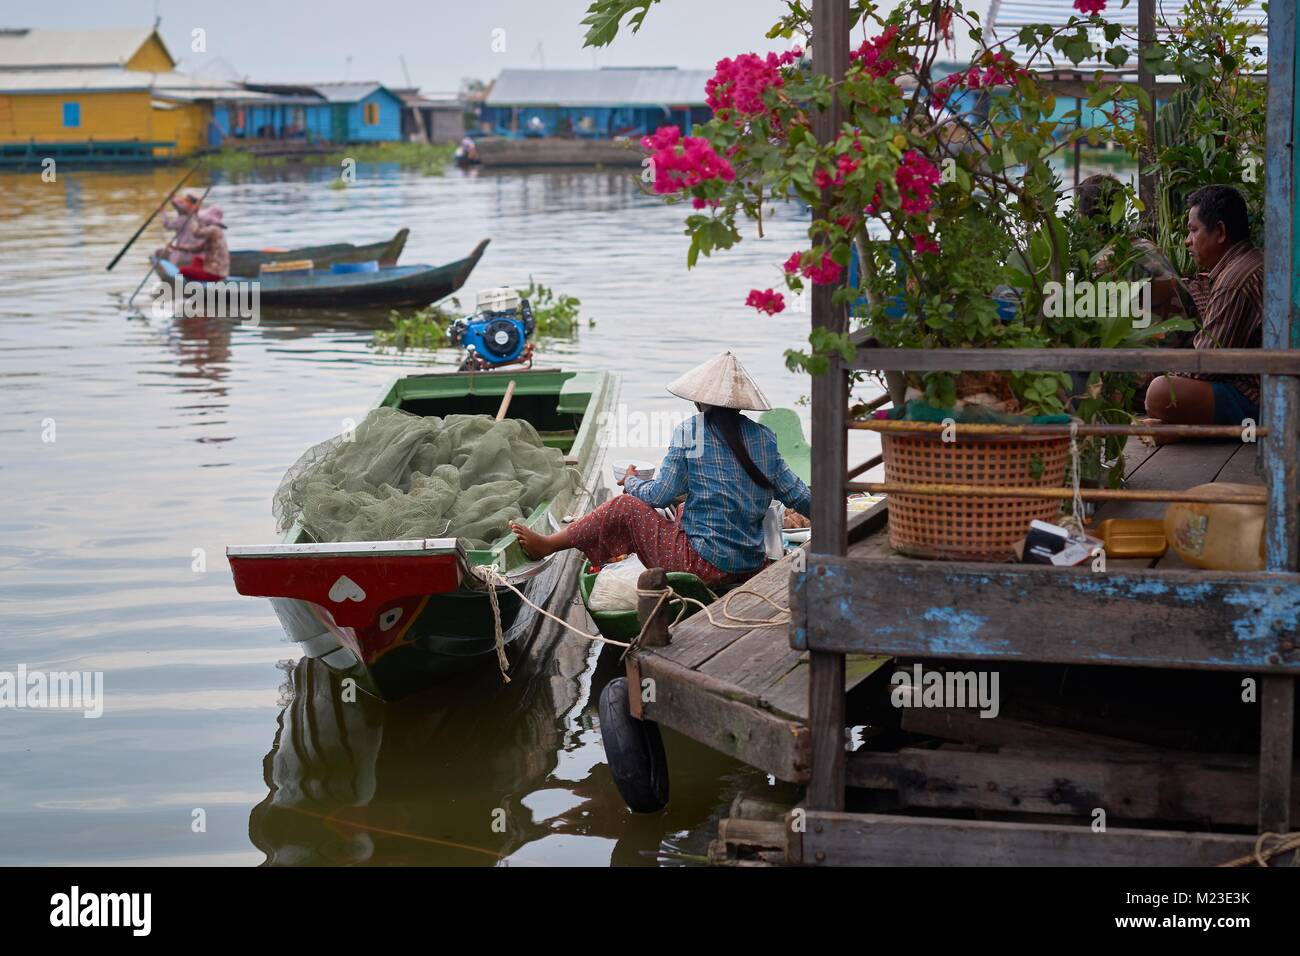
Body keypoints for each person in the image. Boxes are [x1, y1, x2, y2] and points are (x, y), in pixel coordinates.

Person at [509, 351, 812, 586]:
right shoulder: (765, 438)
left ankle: (547, 546)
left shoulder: (690, 431)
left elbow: (658, 496)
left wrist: (630, 482)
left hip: (701, 565)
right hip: (749, 562)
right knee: (683, 507)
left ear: (699, 401)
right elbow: (798, 494)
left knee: (625, 507)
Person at [1145, 184, 1263, 427]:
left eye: (1193, 230)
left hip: (1260, 399)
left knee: (1160, 392)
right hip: (1259, 384)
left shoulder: (1234, 280)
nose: (1188, 241)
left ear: (1220, 232)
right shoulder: (1248, 262)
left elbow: (1206, 365)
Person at [173, 205, 230, 281]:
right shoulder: (217, 233)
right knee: (196, 259)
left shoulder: (213, 230)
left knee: (182, 270)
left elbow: (196, 233)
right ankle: (195, 274)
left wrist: (194, 218)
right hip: (218, 270)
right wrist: (178, 247)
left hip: (214, 274)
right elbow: (197, 248)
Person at [157, 192, 203, 265]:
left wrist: (162, 212)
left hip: (184, 256)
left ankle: (178, 276)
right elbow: (179, 206)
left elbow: (167, 226)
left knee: (159, 253)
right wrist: (172, 199)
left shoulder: (182, 219)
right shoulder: (197, 217)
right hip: (197, 256)